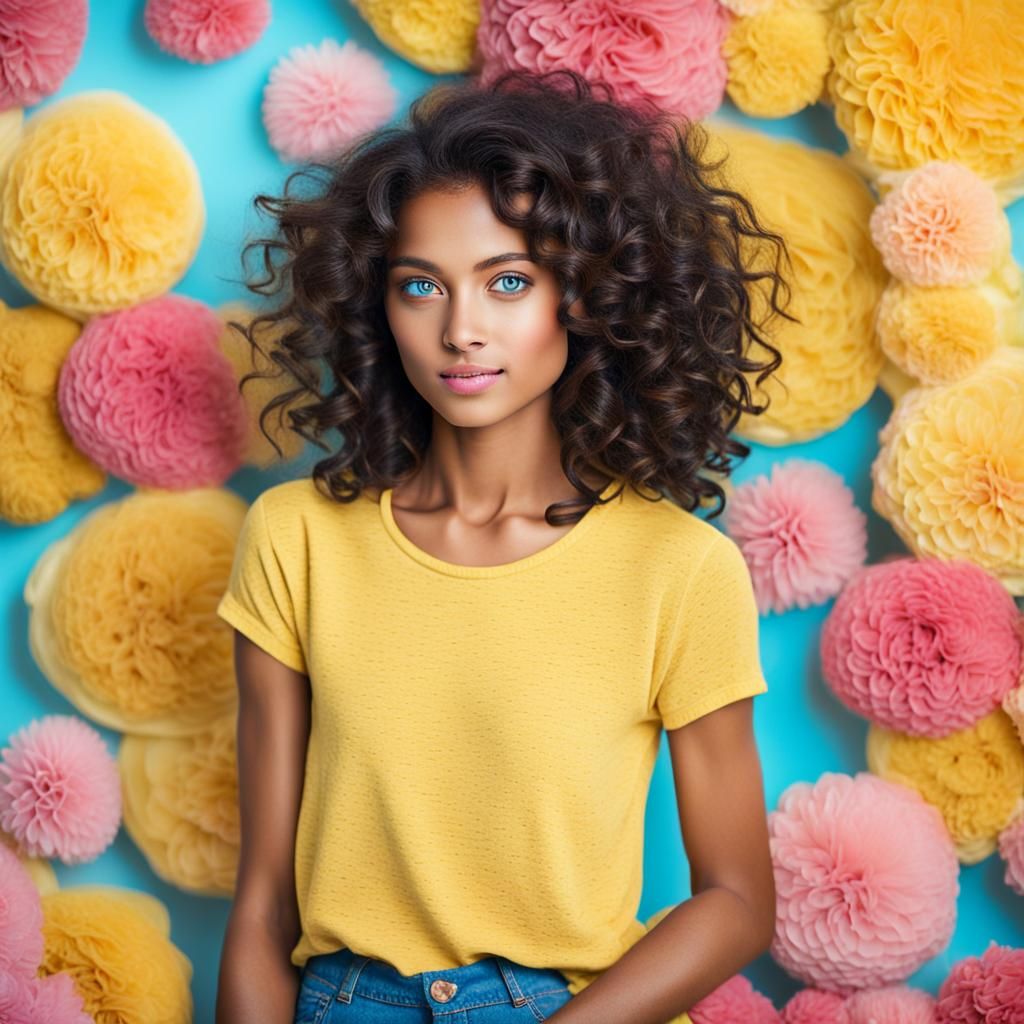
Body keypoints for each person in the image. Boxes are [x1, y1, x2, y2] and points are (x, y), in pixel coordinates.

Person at [214, 67, 791, 1024]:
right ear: (379, 307)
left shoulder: (678, 569)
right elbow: (262, 903)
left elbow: (736, 902)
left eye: (508, 281)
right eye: (420, 286)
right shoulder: (295, 541)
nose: (462, 330)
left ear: (587, 296)